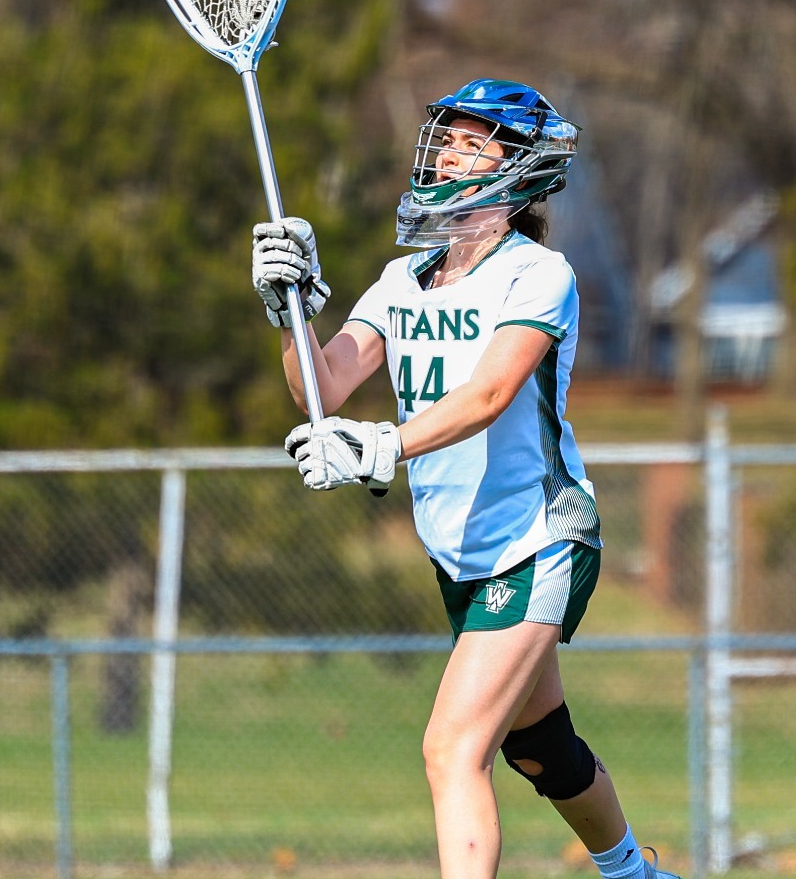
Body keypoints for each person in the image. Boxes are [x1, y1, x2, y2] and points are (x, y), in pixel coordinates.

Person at [250, 80, 681, 879]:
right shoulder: (402, 280)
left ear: (518, 171)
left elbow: (488, 395)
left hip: (539, 539)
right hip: (462, 554)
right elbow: (322, 388)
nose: (447, 150)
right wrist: (291, 311)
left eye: (472, 141)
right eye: (446, 135)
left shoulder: (538, 275)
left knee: (452, 748)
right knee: (540, 749)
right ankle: (634, 874)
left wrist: (383, 449)